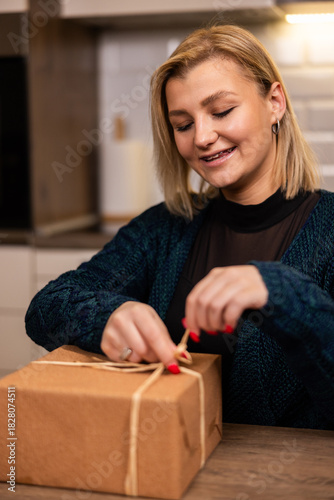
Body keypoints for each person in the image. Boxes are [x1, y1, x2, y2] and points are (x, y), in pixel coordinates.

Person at [25, 24, 334, 430]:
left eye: (222, 111)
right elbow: (46, 307)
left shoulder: (327, 229)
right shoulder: (165, 228)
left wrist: (283, 292)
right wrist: (108, 315)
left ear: (275, 102)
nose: (202, 137)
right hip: (171, 465)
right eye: (183, 124)